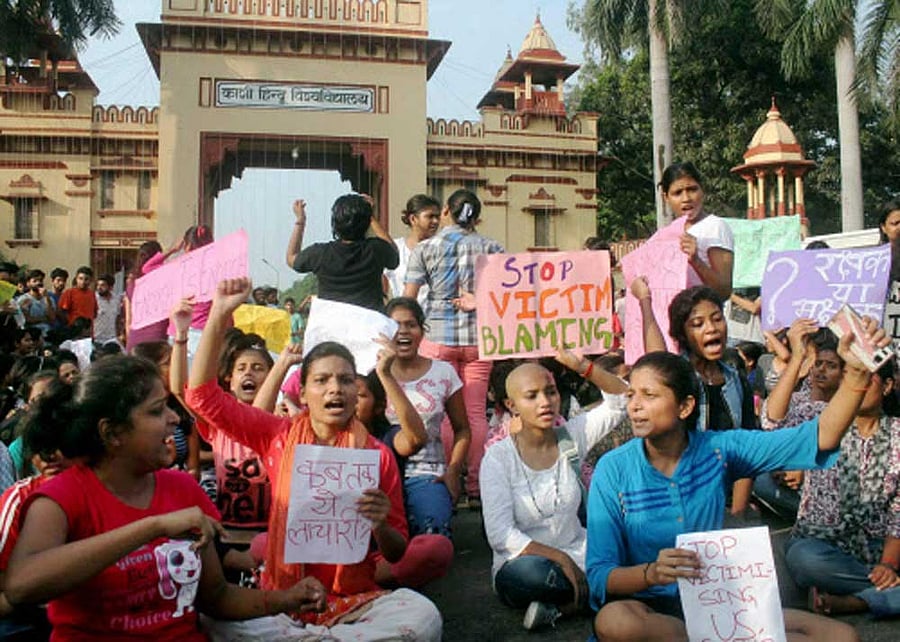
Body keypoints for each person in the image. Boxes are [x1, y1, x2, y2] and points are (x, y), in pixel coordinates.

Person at [185, 277, 442, 640]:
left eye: (346, 380)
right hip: (281, 601)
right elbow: (201, 397)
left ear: (357, 392)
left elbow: (397, 552)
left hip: (352, 602)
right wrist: (218, 314)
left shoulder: (377, 456)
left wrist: (381, 523)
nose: (335, 388)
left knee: (422, 615)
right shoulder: (278, 435)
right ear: (303, 393)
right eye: (322, 380)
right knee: (217, 621)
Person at [5, 355, 327, 640]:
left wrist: (286, 599)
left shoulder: (182, 489)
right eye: (157, 410)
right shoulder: (60, 498)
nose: (174, 419)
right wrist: (153, 527)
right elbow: (22, 586)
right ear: (112, 433)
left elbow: (215, 597)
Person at [587, 339, 883, 642]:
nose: (634, 405)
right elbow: (600, 575)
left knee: (842, 636)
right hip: (650, 611)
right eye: (632, 395)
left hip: (720, 605)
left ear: (685, 406)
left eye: (649, 395)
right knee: (616, 622)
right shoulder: (613, 469)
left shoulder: (719, 449)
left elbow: (819, 436)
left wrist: (857, 373)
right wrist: (652, 573)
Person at [480, 357, 628, 630]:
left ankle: (562, 608)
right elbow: (500, 535)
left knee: (632, 553)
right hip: (527, 563)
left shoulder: (570, 436)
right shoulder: (498, 458)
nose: (545, 402)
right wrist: (560, 559)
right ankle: (595, 594)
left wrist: (581, 364)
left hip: (580, 550)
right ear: (512, 405)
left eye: (550, 392)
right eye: (531, 396)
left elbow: (620, 401)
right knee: (534, 576)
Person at [404, 189, 504, 505]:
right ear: (478, 216)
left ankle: (450, 478)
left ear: (446, 211)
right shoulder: (493, 249)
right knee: (475, 414)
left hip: (437, 340)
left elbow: (409, 299)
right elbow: (507, 298)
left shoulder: (425, 248)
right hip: (479, 341)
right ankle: (476, 487)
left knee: (445, 416)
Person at [784, 357, 900, 618]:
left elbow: (898, 512)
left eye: (865, 379)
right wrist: (794, 356)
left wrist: (888, 564)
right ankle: (887, 591)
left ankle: (852, 602)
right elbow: (772, 421)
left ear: (887, 386)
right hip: (825, 547)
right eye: (850, 377)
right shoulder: (821, 421)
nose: (856, 386)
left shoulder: (897, 435)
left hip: (880, 548)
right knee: (805, 558)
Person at [631, 280, 757, 516]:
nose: (711, 328)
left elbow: (748, 447)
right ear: (682, 335)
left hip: (728, 503)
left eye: (717, 318)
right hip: (681, 502)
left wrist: (737, 513)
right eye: (698, 324)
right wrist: (645, 300)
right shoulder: (679, 379)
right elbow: (656, 356)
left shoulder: (736, 380)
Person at [377, 297, 470, 537]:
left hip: (428, 472)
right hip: (380, 473)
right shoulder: (370, 373)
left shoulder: (444, 372)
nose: (403, 332)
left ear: (422, 330)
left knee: (433, 536)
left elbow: (462, 429)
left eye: (411, 325)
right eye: (395, 326)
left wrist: (453, 471)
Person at [286, 195, 399, 313]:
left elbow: (291, 258)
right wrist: (370, 215)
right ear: (366, 223)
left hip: (332, 323)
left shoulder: (321, 253)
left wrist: (300, 220)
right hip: (369, 323)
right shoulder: (376, 249)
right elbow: (394, 254)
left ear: (335, 223)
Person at [660, 162, 733, 299]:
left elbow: (724, 290)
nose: (686, 198)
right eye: (677, 193)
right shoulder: (667, 234)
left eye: (692, 189)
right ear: (666, 198)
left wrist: (696, 260)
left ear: (702, 190)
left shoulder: (715, 227)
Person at [384, 194, 441, 303]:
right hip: (405, 315)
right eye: (430, 216)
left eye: (437, 217)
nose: (435, 221)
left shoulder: (443, 249)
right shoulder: (397, 249)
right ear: (413, 219)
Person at [58, 267, 97, 334]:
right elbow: (61, 312)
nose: (83, 282)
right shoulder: (69, 293)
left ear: (91, 280)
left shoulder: (92, 294)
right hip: (73, 332)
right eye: (80, 278)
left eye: (86, 279)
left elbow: (94, 313)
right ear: (76, 279)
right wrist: (70, 325)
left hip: (88, 333)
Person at [17, 269, 56, 337]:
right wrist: (44, 319)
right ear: (28, 283)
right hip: (31, 334)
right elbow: (26, 320)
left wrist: (46, 298)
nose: (38, 283)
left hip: (48, 333)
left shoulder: (49, 299)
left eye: (40, 280)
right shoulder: (23, 299)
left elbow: (52, 318)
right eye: (35, 281)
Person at [94, 273, 123, 346]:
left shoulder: (116, 300)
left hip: (112, 339)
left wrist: (119, 334)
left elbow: (118, 319)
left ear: (110, 287)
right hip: (97, 339)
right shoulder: (93, 299)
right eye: (98, 285)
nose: (99, 287)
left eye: (102, 285)